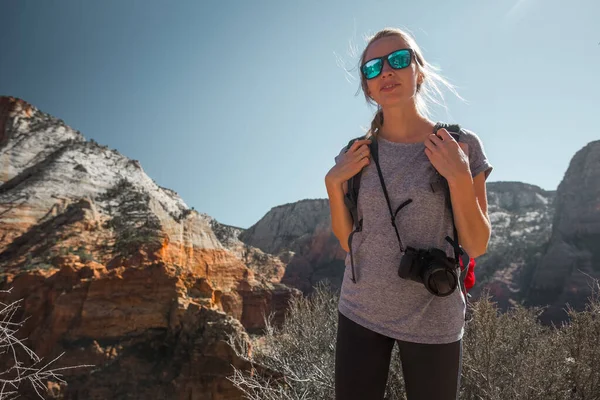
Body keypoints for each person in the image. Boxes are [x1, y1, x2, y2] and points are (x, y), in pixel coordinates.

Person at [324, 27, 493, 400]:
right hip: (359, 310)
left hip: (434, 313)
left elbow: (477, 244)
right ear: (367, 87)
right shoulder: (355, 152)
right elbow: (346, 240)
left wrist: (460, 176)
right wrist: (332, 185)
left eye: (398, 60)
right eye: (373, 67)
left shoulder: (460, 144)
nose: (386, 71)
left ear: (419, 70)